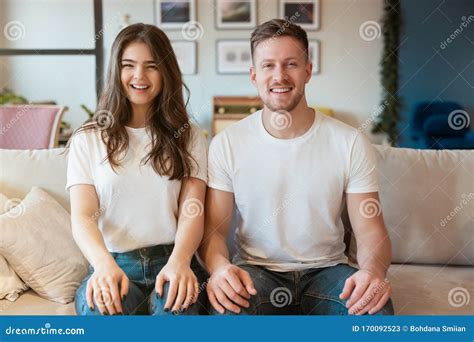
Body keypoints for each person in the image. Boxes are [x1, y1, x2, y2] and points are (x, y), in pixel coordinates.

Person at [200, 19, 394, 315]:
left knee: (376, 313)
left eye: (291, 64)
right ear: (254, 75)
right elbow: (214, 232)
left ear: (308, 71)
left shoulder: (350, 142)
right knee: (226, 316)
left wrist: (373, 272)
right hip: (256, 273)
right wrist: (219, 268)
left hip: (328, 273)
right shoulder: (227, 144)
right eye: (268, 66)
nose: (280, 76)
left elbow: (371, 232)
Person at [67, 23, 208, 315]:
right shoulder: (88, 138)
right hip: (114, 262)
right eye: (128, 65)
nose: (139, 76)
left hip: (173, 258)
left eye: (151, 66)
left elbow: (192, 211)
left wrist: (181, 262)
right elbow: (82, 216)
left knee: (178, 315)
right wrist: (103, 265)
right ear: (116, 72)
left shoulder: (190, 135)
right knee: (103, 313)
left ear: (166, 72)